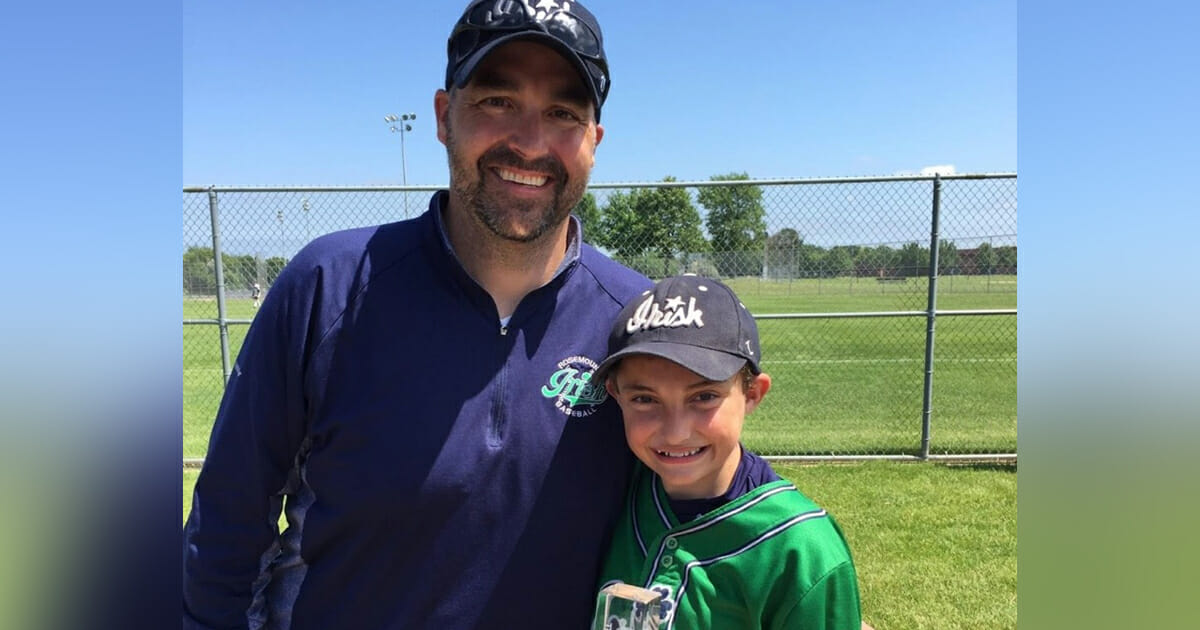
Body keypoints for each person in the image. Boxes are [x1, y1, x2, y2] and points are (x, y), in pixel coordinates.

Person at [182, 1, 651, 628]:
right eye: (497, 102)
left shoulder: (635, 320)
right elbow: (227, 525)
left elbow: (706, 490)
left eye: (563, 113)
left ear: (594, 141)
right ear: (442, 115)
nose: (531, 142)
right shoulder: (329, 287)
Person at [592, 275, 863, 629]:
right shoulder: (620, 487)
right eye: (644, 399)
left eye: (704, 397)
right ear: (616, 394)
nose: (676, 432)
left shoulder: (800, 550)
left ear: (752, 393)